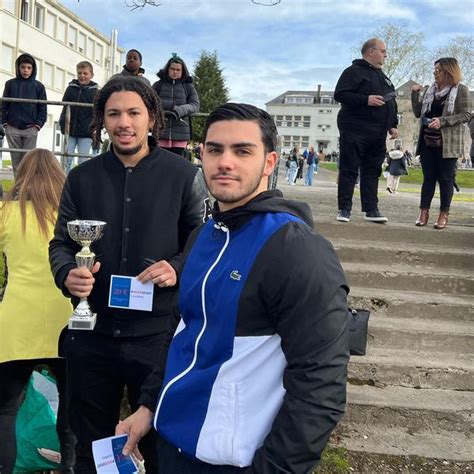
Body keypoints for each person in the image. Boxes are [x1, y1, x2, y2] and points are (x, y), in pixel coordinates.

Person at [117, 103, 350, 474]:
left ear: (270, 162)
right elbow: (182, 335)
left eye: (242, 151)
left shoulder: (296, 249)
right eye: (214, 149)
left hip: (235, 462)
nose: (225, 162)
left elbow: (321, 385)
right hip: (172, 446)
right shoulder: (201, 236)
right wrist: (147, 407)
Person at [49, 78, 208, 473]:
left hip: (156, 338)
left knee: (156, 445)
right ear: (102, 120)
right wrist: (67, 272)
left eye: (134, 113)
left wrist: (177, 266)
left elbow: (201, 241)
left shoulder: (183, 175)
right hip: (92, 335)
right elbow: (60, 244)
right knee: (90, 444)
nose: (125, 122)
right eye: (114, 114)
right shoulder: (82, 178)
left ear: (151, 118)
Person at [0, 149, 75, 474]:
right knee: (72, 410)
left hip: (16, 324)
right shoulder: (72, 217)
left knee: (4, 412)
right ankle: (69, 468)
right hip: (67, 321)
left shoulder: (5, 213)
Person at [334, 38, 399, 223]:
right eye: (383, 51)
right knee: (349, 169)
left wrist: (392, 124)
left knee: (372, 170)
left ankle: (371, 209)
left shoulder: (384, 77)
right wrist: (365, 99)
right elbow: (340, 94)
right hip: (355, 129)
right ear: (370, 51)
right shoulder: (353, 71)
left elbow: (390, 101)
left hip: (378, 132)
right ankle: (344, 209)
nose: (386, 55)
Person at [411, 57, 471, 229]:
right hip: (427, 141)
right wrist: (415, 94)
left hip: (448, 144)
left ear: (448, 71)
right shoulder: (430, 90)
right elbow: (418, 113)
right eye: (435, 69)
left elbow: (466, 115)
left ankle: (443, 214)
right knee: (428, 178)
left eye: (438, 69)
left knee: (446, 179)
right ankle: (423, 213)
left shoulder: (461, 90)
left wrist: (443, 121)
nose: (435, 72)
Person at [1, 53, 47, 178]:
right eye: (23, 67)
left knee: (28, 163)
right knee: (16, 162)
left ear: (33, 69)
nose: (25, 70)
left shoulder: (39, 87)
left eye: (28, 67)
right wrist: (5, 123)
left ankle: (27, 190)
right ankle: (18, 190)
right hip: (12, 128)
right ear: (18, 68)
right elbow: (4, 104)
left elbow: (43, 108)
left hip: (30, 129)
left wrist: (37, 126)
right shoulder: (10, 84)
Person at [152, 53, 200, 157]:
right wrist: (169, 106)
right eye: (172, 69)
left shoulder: (188, 87)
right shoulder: (158, 85)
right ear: (167, 69)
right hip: (161, 132)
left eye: (178, 70)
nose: (175, 72)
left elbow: (195, 104)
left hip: (181, 132)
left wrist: (180, 110)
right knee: (159, 164)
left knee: (178, 165)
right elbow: (149, 101)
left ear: (183, 71)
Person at [59, 61, 99, 174]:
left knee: (83, 161)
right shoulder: (71, 89)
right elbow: (64, 107)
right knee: (66, 159)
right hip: (70, 131)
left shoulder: (96, 92)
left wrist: (95, 130)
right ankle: (63, 184)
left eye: (85, 73)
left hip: (86, 133)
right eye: (79, 73)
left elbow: (97, 113)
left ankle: (82, 185)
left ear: (91, 75)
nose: (82, 76)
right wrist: (63, 124)